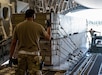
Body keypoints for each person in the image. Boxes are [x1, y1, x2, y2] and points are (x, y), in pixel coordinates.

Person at [9, 9, 51, 75]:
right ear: (34, 16)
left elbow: (14, 43)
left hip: (21, 55)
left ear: (25, 16)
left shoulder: (18, 27)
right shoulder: (39, 27)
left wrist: (10, 57)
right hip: (33, 55)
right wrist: (49, 27)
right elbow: (48, 38)